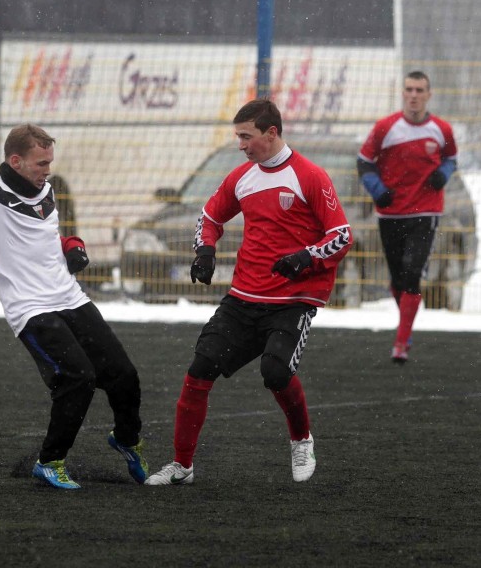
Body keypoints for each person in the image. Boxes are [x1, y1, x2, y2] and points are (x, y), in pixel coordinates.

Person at [145, 99, 353, 486]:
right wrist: (205, 250)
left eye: (246, 136)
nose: (240, 144)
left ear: (271, 133)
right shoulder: (242, 177)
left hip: (293, 302)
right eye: (237, 136)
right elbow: (209, 216)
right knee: (199, 370)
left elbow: (341, 236)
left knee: (275, 372)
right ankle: (182, 465)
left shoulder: (310, 176)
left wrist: (304, 258)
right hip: (243, 298)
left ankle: (301, 438)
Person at [0, 124, 148, 489]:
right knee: (78, 378)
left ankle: (127, 439)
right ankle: (49, 462)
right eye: (41, 162)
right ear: (16, 161)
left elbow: (49, 235)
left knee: (124, 375)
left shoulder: (46, 190)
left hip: (70, 297)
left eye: (49, 161)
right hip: (31, 308)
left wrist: (73, 246)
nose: (47, 169)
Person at [357, 71, 458, 364]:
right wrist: (377, 189)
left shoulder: (442, 129)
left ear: (429, 94)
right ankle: (406, 326)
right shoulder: (385, 127)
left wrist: (444, 173)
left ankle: (401, 343)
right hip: (390, 213)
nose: (413, 95)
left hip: (426, 212)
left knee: (412, 273)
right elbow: (363, 162)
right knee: (398, 278)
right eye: (409, 89)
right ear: (403, 93)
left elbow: (452, 158)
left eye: (419, 90)